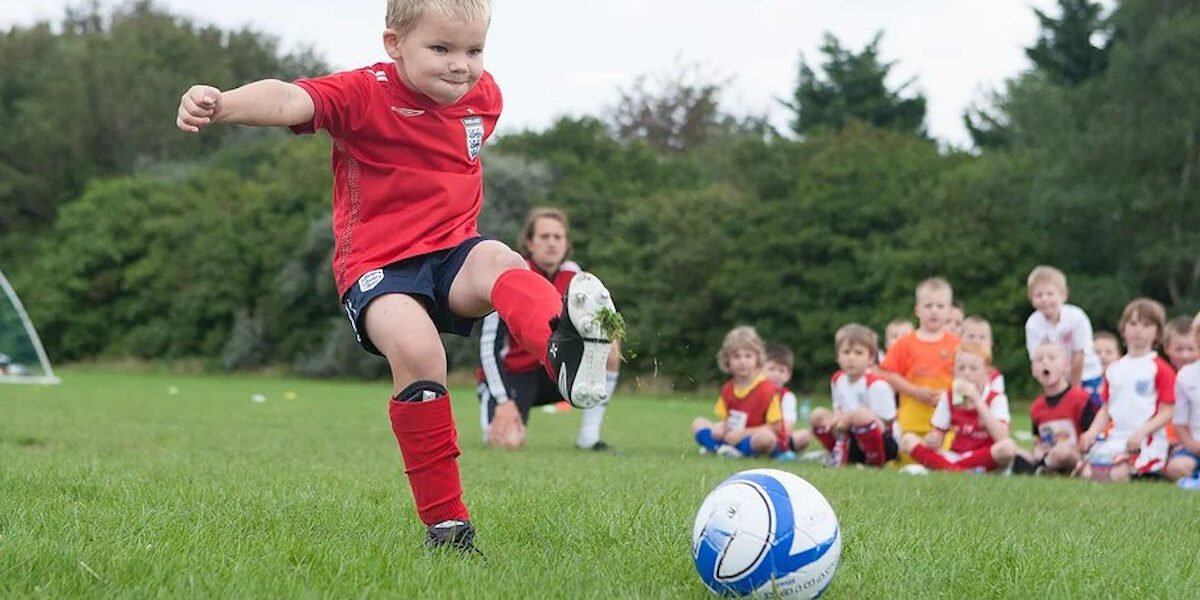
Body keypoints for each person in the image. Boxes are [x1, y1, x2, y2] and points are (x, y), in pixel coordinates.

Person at [175, 0, 623, 552]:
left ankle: (560, 347)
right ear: (395, 45)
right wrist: (220, 104)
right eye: (441, 49)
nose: (461, 65)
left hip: (454, 250)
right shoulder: (364, 92)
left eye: (474, 50)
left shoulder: (485, 100)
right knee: (418, 351)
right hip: (378, 267)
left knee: (505, 261)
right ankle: (447, 526)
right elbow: (292, 97)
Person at [479, 208, 620, 452]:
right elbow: (488, 346)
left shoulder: (576, 277)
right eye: (544, 237)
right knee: (507, 444)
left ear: (567, 244)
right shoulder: (511, 275)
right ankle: (499, 410)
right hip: (513, 375)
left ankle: (589, 437)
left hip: (554, 368)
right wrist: (503, 401)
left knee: (611, 349)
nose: (552, 243)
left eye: (558, 237)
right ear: (529, 243)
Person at [1079, 298, 1175, 482]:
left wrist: (1141, 432)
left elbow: (1168, 411)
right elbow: (1107, 408)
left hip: (1146, 440)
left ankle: (1150, 472)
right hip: (1117, 437)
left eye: (1146, 325)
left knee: (1116, 475)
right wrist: (1091, 433)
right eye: (1133, 323)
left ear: (1157, 333)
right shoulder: (1114, 368)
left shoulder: (1160, 368)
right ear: (1123, 328)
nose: (1138, 329)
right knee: (1087, 472)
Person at [899, 343, 1016, 473]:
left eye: (973, 368)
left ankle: (948, 469)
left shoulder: (996, 398)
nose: (966, 373)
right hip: (956, 455)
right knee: (907, 440)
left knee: (1007, 447)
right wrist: (933, 439)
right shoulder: (949, 397)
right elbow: (938, 434)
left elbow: (1002, 437)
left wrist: (977, 400)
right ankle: (960, 471)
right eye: (961, 368)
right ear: (954, 372)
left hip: (984, 456)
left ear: (987, 373)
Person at [791, 324, 898, 467]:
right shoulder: (837, 379)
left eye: (858, 353)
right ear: (838, 357)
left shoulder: (876, 385)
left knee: (860, 415)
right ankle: (838, 454)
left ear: (871, 358)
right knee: (818, 415)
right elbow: (838, 406)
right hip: (850, 435)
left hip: (882, 443)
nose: (851, 358)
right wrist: (837, 417)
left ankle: (875, 463)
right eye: (846, 352)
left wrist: (850, 418)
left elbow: (888, 421)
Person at [879, 277, 961, 441]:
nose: (934, 311)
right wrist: (915, 391)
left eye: (940, 306)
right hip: (910, 421)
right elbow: (889, 375)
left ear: (949, 311)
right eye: (928, 306)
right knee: (910, 456)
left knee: (943, 459)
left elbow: (965, 379)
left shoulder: (957, 346)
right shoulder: (904, 343)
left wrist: (948, 395)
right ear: (917, 310)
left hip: (947, 424)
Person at [692, 326, 784, 458]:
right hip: (730, 436)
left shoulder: (767, 389)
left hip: (752, 438)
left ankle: (729, 451)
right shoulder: (728, 389)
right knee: (698, 423)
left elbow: (776, 427)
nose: (742, 361)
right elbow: (725, 420)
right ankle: (721, 449)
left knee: (766, 439)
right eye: (736, 356)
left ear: (757, 358)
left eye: (748, 356)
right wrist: (720, 428)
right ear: (727, 360)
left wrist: (742, 434)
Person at [1024, 266, 1103, 406]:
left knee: (1089, 414)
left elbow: (1079, 354)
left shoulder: (1077, 318)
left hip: (1087, 374)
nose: (1045, 299)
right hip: (1058, 380)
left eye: (1050, 294)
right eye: (1039, 295)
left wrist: (1075, 389)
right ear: (1031, 299)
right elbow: (1038, 359)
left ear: (1063, 295)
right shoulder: (1033, 324)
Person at [1013, 342, 1096, 475]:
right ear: (1033, 370)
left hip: (1075, 455)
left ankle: (1038, 470)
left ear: (1066, 365)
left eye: (1051, 358)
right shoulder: (1037, 407)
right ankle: (1044, 468)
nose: (1045, 363)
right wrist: (1038, 450)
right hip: (1048, 455)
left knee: (1061, 452)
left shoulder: (1080, 398)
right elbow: (1038, 439)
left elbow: (1091, 435)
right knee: (1016, 452)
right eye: (1039, 360)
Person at [1164, 313, 1200, 482]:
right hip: (1191, 444)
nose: (1185, 355)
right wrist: (1192, 445)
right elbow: (1179, 420)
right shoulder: (1185, 376)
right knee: (1176, 467)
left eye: (1189, 349)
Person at [764, 344, 799, 456]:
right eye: (771, 369)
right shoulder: (756, 393)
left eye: (781, 371)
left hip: (777, 437)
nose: (776, 374)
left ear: (788, 375)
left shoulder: (787, 397)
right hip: (752, 435)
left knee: (804, 436)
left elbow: (787, 427)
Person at [962, 315, 1005, 394]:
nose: (977, 342)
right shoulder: (956, 371)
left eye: (982, 337)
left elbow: (997, 401)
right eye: (971, 336)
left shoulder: (995, 377)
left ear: (991, 343)